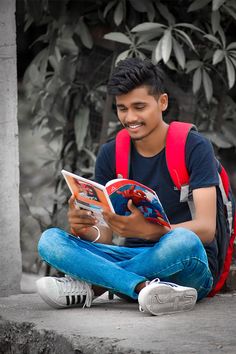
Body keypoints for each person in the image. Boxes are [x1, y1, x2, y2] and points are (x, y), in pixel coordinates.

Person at [36, 57, 219, 316]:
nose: (130, 117)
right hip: (133, 259)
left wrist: (149, 232)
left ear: (162, 102)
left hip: (185, 266)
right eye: (122, 108)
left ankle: (97, 285)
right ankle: (143, 287)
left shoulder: (194, 147)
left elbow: (206, 229)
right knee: (50, 240)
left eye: (139, 107)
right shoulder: (112, 153)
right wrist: (83, 228)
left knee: (183, 241)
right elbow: (107, 236)